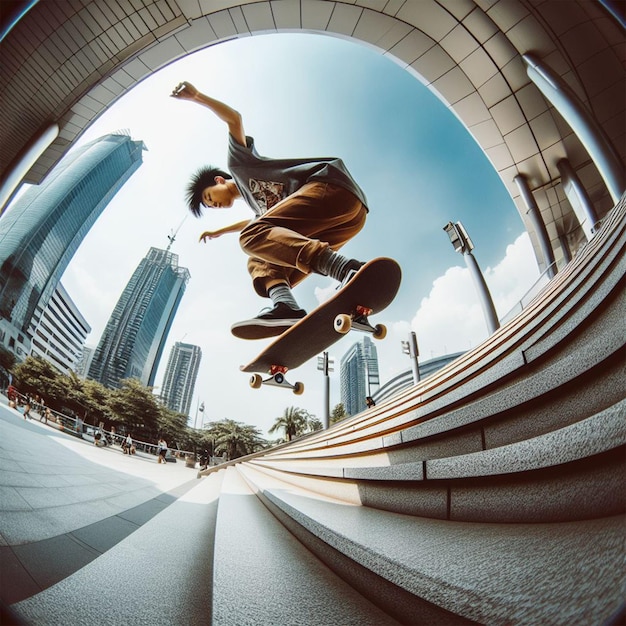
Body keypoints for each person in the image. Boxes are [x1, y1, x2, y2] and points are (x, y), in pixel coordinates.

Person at [171, 81, 370, 339]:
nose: (215, 205)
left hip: (331, 188)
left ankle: (345, 269)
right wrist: (219, 231)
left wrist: (197, 97)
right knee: (261, 258)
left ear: (218, 181)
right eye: (212, 207)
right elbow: (254, 226)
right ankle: (285, 306)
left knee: (253, 237)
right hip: (348, 220)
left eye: (210, 198)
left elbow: (234, 119)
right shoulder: (259, 211)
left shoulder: (239, 165)